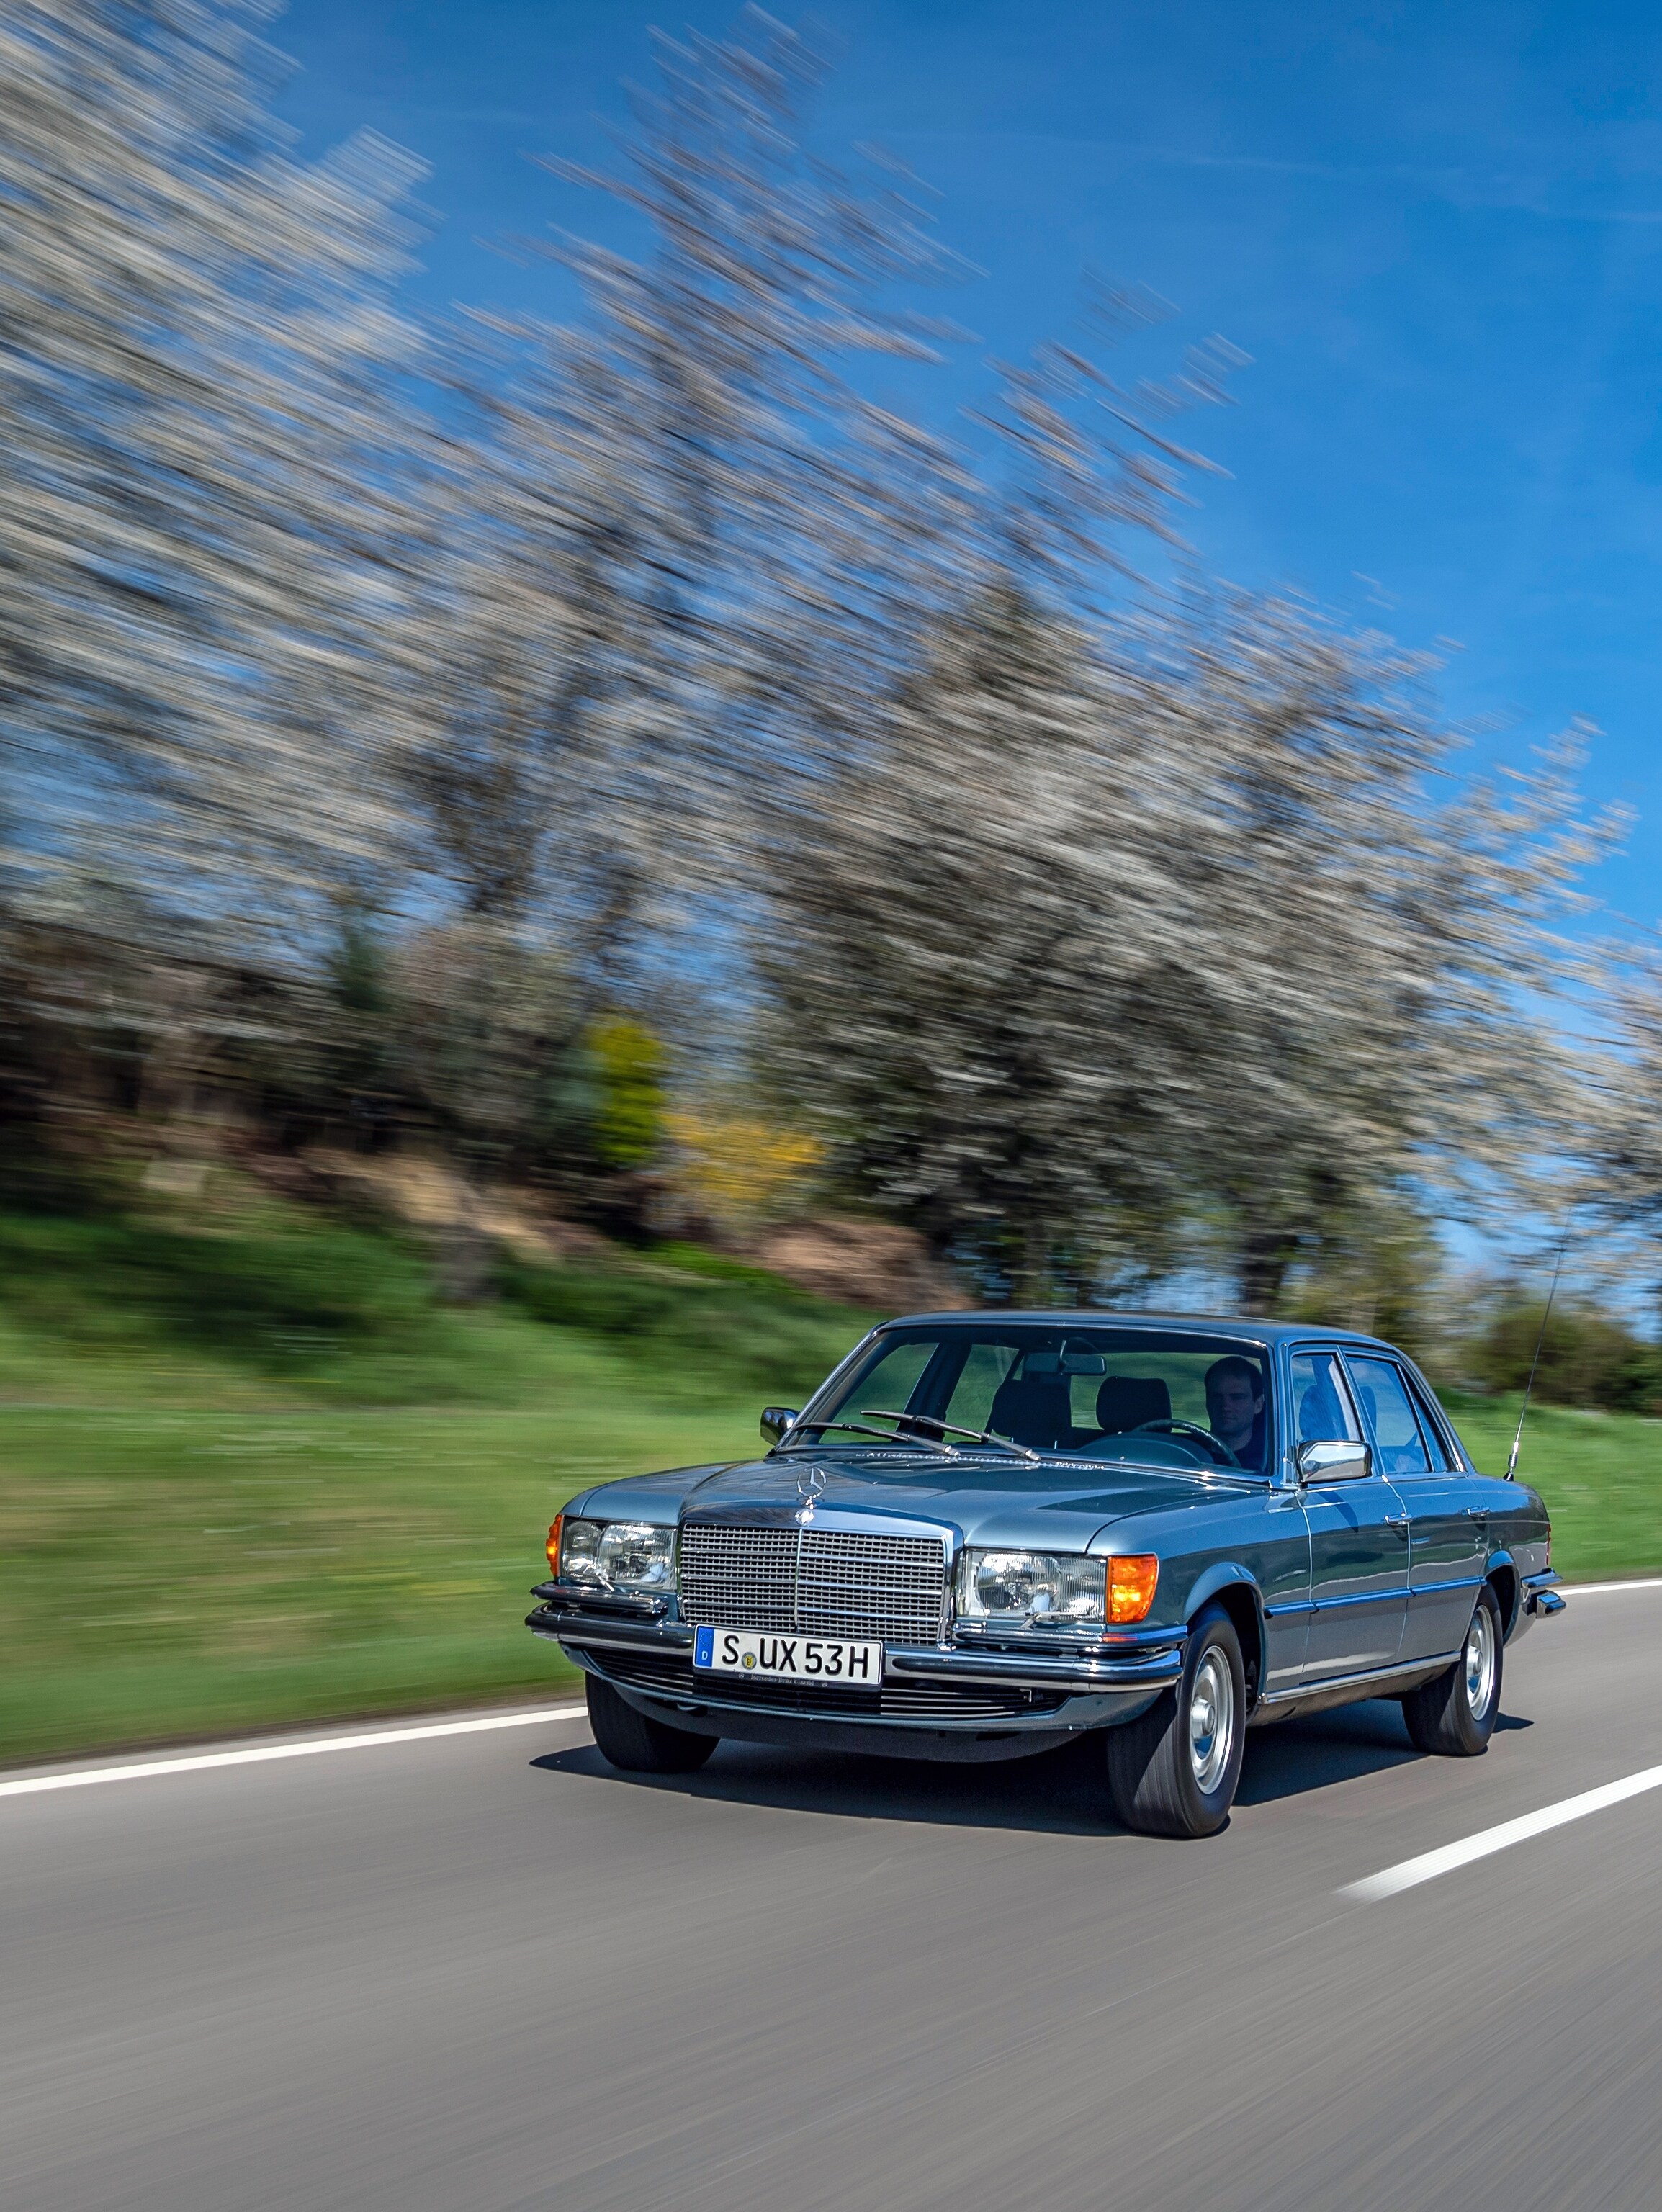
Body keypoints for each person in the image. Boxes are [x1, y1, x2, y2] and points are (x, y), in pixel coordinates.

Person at [1205, 1355, 1267, 1469]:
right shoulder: (1181, 1453)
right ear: (1207, 1402)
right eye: (1216, 1397)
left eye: (1237, 1397)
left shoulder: (1269, 1464)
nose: (1225, 1406)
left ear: (1258, 1405)